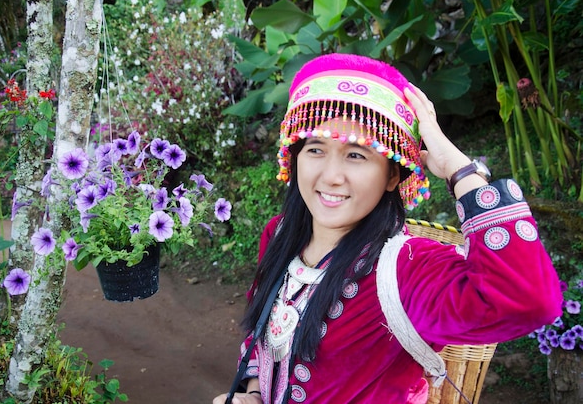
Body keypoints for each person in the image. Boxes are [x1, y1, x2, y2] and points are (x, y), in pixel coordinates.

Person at [213, 53, 562, 404]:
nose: (331, 176)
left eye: (356, 155)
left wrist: (459, 170)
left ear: (393, 175)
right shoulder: (280, 233)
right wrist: (254, 394)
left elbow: (530, 300)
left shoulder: (406, 269)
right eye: (315, 148)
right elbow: (261, 337)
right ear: (295, 157)